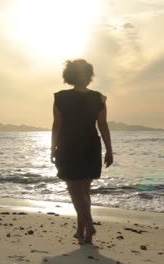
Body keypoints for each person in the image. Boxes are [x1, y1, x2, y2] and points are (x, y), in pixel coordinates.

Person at [51, 59, 113, 244]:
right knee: (84, 192)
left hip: (69, 146)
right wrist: (109, 150)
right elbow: (102, 125)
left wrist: (52, 147)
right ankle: (82, 232)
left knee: (75, 190)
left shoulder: (60, 97)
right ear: (88, 76)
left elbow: (57, 125)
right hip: (91, 146)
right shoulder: (99, 98)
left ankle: (89, 226)